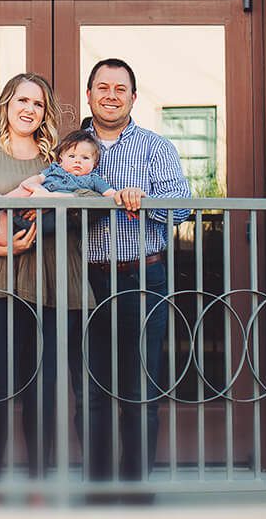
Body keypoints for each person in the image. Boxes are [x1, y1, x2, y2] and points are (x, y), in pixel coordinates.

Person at [0, 71, 86, 488]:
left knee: (41, 389)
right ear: (6, 104)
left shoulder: (53, 161)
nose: (30, 110)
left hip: (47, 281)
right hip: (0, 283)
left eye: (38, 104)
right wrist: (3, 248)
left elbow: (78, 208)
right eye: (22, 101)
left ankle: (37, 484)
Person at [76, 57, 193, 485]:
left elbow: (182, 205)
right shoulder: (69, 147)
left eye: (120, 89)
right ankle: (98, 485)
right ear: (88, 95)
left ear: (133, 97)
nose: (111, 95)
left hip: (143, 277)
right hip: (83, 280)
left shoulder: (155, 147)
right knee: (90, 392)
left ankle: (136, 486)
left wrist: (145, 198)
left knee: (140, 391)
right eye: (102, 87)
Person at [0, 128, 117, 229]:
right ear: (61, 158)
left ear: (95, 164)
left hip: (51, 217)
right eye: (72, 156)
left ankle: (16, 214)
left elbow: (111, 195)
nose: (78, 161)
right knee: (22, 192)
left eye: (85, 158)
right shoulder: (55, 169)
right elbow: (37, 179)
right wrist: (35, 188)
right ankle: (3, 202)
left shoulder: (93, 179)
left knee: (63, 218)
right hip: (29, 207)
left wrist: (125, 200)